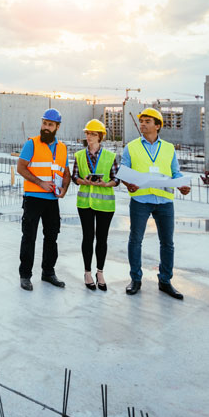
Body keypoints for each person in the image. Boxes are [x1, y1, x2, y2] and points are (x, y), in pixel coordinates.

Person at [119, 107, 191, 300]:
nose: (142, 124)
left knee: (167, 243)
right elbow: (123, 170)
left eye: (147, 121)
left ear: (157, 125)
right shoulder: (132, 147)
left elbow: (175, 173)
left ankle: (165, 281)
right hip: (140, 200)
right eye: (141, 121)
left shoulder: (168, 148)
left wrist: (183, 185)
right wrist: (128, 184)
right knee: (135, 240)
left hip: (164, 201)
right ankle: (136, 279)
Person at [16, 108, 71, 291]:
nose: (46, 127)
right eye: (44, 123)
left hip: (52, 200)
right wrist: (40, 183)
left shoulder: (62, 148)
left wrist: (64, 189)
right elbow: (21, 168)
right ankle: (25, 275)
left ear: (57, 127)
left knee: (52, 237)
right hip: (33, 198)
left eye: (50, 125)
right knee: (29, 237)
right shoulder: (31, 144)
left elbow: (66, 174)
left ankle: (48, 272)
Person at [72, 119, 120, 292]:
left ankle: (100, 272)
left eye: (93, 134)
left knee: (102, 238)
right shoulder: (79, 155)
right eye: (87, 133)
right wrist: (81, 180)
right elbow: (74, 177)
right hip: (85, 203)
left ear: (100, 136)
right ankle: (87, 273)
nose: (89, 136)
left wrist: (105, 184)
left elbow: (116, 179)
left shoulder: (110, 156)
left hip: (105, 205)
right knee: (87, 237)